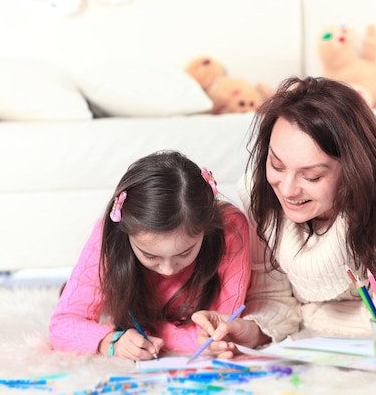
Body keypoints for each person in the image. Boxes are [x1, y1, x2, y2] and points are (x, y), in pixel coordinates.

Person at [193, 76, 376, 358]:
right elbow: (273, 299)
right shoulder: (258, 188)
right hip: (330, 284)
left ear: (353, 170)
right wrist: (249, 329)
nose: (287, 190)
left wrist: (307, 313)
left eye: (312, 176)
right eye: (276, 165)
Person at [49, 150, 250, 360]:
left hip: (148, 315)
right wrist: (112, 342)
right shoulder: (109, 234)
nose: (168, 269)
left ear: (207, 228)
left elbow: (222, 328)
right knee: (81, 296)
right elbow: (62, 325)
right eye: (150, 256)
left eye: (185, 252)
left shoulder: (230, 228)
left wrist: (155, 333)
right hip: (125, 303)